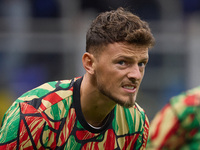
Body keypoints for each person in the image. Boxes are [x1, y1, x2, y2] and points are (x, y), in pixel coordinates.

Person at [0, 7, 155, 149]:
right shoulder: (34, 116)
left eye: (141, 64)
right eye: (122, 62)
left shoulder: (136, 123)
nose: (136, 74)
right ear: (89, 63)